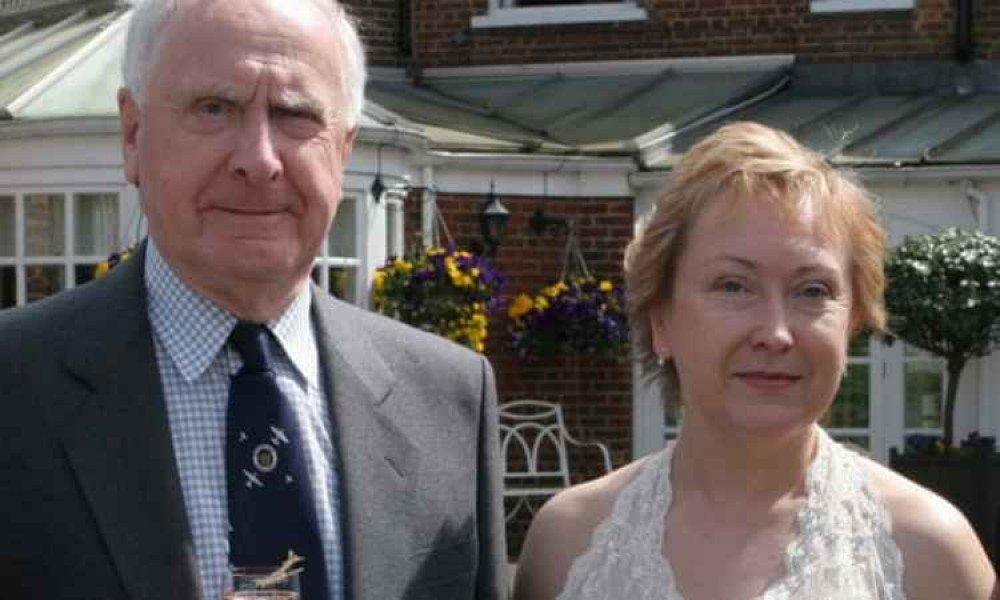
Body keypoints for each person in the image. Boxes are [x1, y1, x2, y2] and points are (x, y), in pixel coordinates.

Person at [0, 1, 506, 599]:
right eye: (215, 109)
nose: (259, 161)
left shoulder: (448, 398)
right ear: (134, 135)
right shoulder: (15, 386)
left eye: (295, 115)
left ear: (342, 153)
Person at [513, 122, 997, 600]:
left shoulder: (931, 554)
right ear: (661, 320)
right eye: (733, 286)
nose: (775, 333)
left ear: (852, 323)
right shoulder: (566, 544)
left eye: (813, 291)